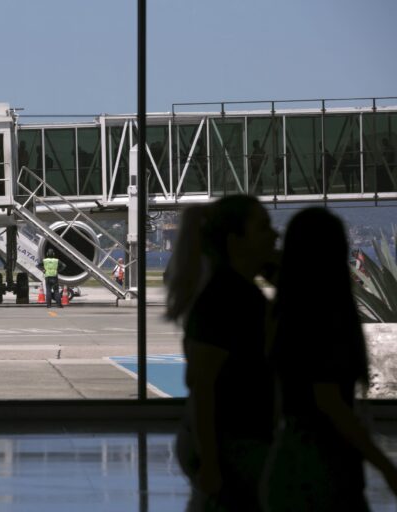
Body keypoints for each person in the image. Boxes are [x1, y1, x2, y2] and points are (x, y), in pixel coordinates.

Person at [262, 207, 397, 510]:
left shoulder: (286, 311)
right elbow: (330, 402)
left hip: (290, 453)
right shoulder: (326, 316)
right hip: (325, 460)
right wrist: (385, 466)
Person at [165, 195, 278, 511]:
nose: (275, 235)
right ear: (235, 240)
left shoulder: (240, 292)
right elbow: (202, 388)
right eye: (263, 227)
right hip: (231, 444)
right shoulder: (224, 299)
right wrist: (211, 463)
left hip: (239, 440)